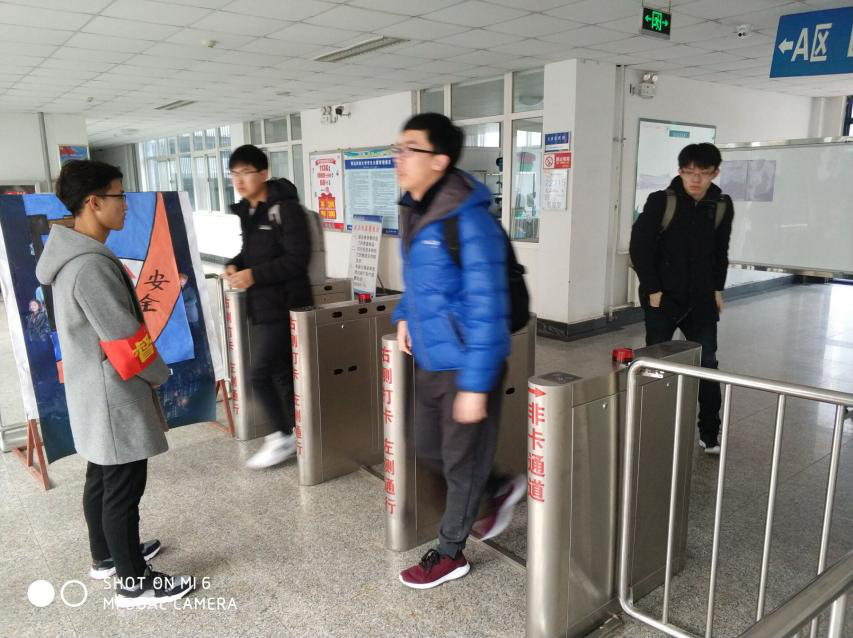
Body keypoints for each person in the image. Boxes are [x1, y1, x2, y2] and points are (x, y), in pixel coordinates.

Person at [35, 160, 194, 608]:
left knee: (102, 476)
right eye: (119, 196)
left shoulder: (74, 256)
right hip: (112, 392)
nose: (126, 205)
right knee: (123, 485)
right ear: (93, 202)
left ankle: (107, 557)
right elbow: (124, 339)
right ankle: (133, 582)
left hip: (94, 388)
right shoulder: (89, 266)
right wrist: (159, 374)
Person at [392, 113, 525, 590]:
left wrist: (474, 385)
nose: (399, 157)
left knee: (460, 462)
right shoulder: (415, 209)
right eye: (398, 148)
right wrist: (404, 314)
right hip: (431, 358)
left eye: (410, 149)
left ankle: (450, 553)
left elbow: (489, 307)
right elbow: (421, 282)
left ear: (440, 160)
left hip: (467, 363)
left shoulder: (470, 221)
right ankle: (499, 487)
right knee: (428, 448)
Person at [629, 143, 734, 455]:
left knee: (707, 365)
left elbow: (720, 252)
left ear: (715, 173)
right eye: (689, 172)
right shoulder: (662, 201)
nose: (695, 179)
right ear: (680, 171)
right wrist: (653, 289)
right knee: (655, 365)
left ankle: (709, 433)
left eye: (703, 173)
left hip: (701, 301)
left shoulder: (721, 205)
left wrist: (717, 289)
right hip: (662, 299)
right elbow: (639, 247)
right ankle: (651, 425)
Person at [223, 145, 312, 469]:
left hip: (286, 305)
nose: (239, 180)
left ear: (263, 173)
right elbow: (251, 252)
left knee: (258, 373)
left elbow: (298, 259)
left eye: (246, 172)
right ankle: (298, 433)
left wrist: (253, 275)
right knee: (281, 373)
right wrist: (236, 263)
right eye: (234, 174)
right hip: (263, 306)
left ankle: (280, 436)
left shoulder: (285, 209)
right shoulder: (251, 211)